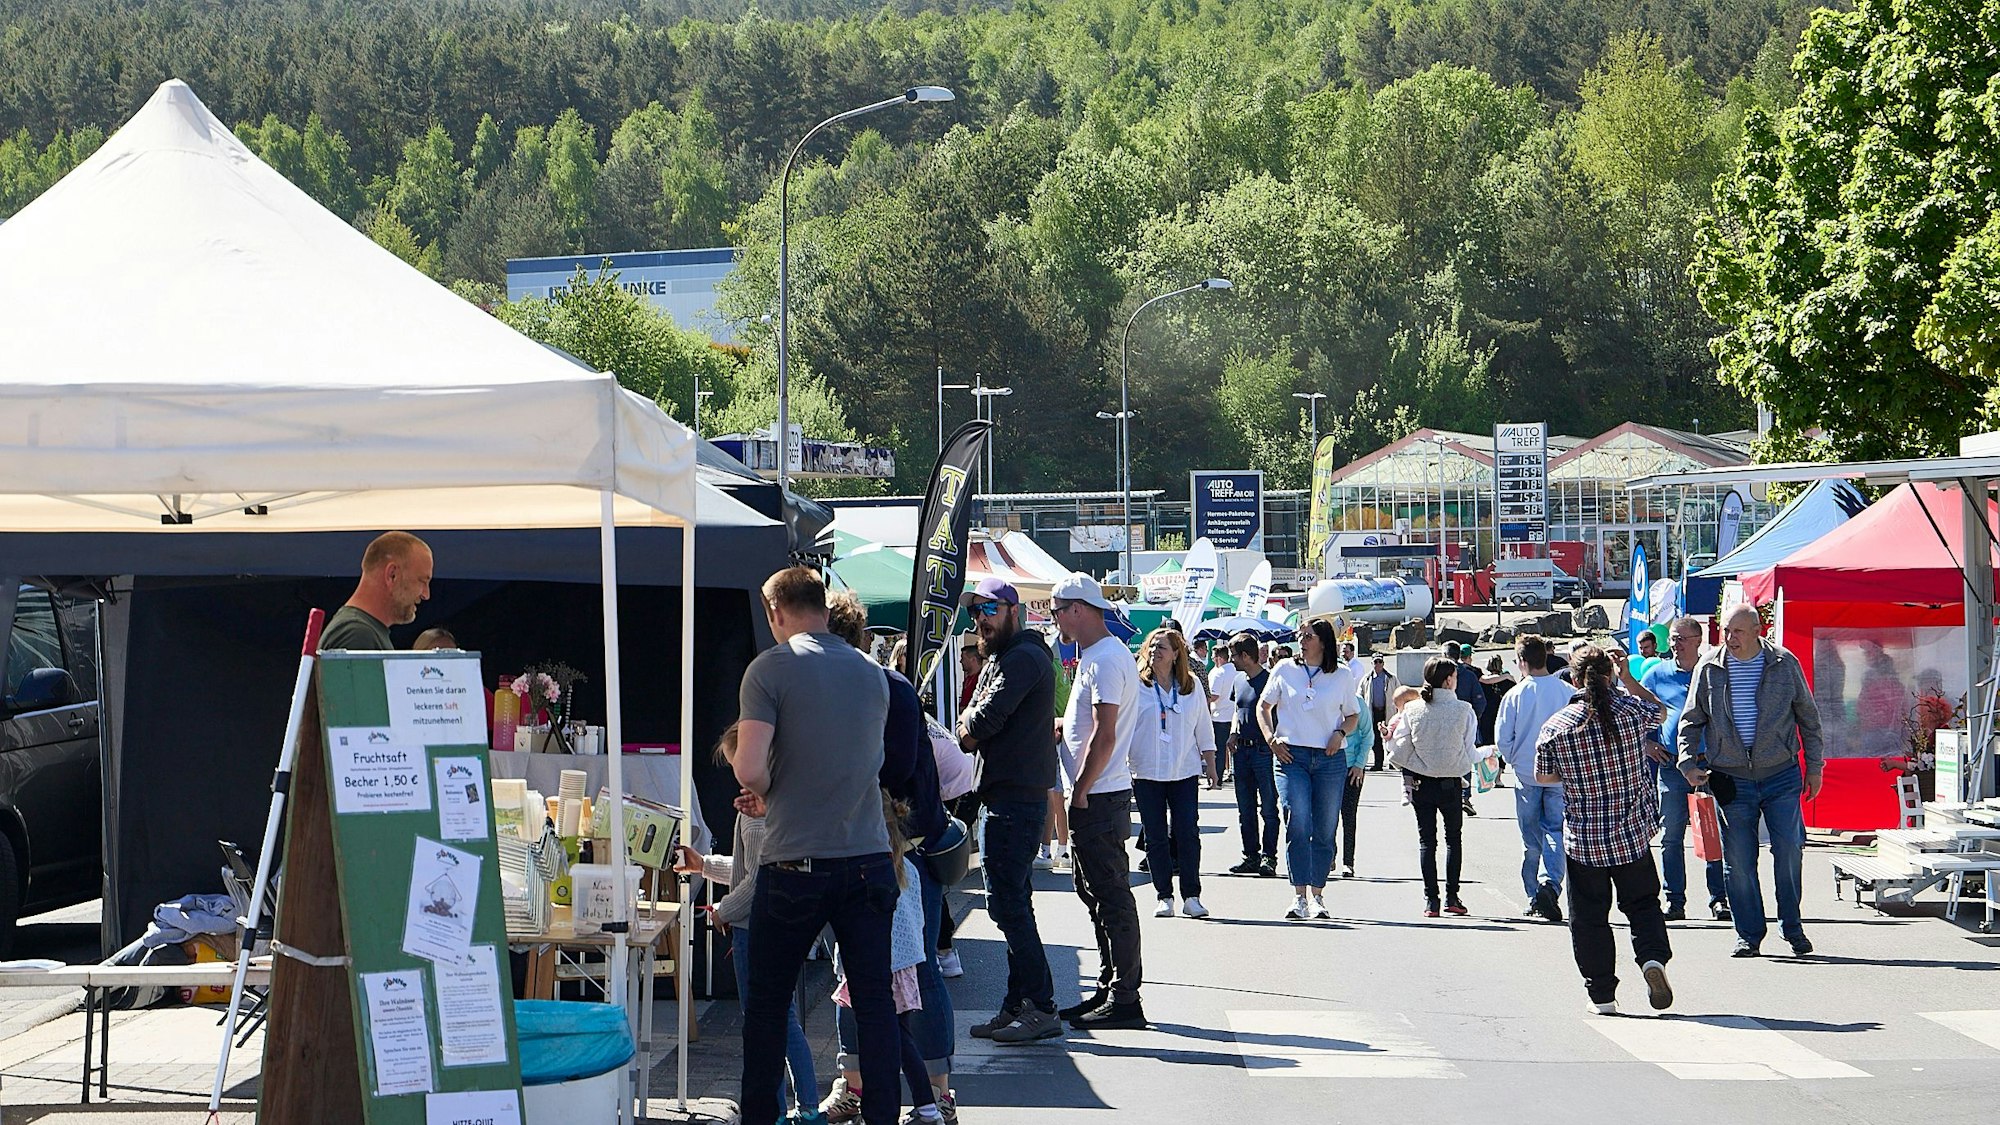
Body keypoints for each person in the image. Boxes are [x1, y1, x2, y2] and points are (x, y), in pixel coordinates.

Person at [731, 568, 900, 1125]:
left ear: (773, 611)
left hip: (797, 862)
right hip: (869, 858)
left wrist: (760, 781)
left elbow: (751, 769)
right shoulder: (872, 673)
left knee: (767, 1008)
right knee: (875, 1007)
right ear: (824, 609)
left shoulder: (770, 669)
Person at [824, 592, 956, 1122]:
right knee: (854, 976)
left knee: (913, 976)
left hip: (899, 852)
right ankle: (857, 1083)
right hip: (864, 847)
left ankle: (937, 1094)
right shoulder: (859, 686)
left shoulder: (886, 688)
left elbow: (899, 770)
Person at [673, 725, 819, 1123]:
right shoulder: (774, 802)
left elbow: (755, 882)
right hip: (773, 924)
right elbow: (749, 871)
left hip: (756, 928)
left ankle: (790, 1109)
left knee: (769, 1023)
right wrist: (704, 865)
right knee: (777, 1020)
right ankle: (803, 1106)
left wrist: (723, 909)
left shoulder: (756, 813)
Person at [1678, 604, 1825, 959]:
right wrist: (1686, 759)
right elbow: (1691, 718)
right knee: (1739, 861)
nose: (1730, 639)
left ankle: (1792, 927)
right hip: (1731, 777)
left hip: (1780, 773)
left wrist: (1815, 767)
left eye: (1738, 632)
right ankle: (1748, 934)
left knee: (1788, 848)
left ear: (1759, 630)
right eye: (1726, 631)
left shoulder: (1784, 664)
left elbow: (1808, 717)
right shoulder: (1710, 666)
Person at [1534, 644, 1674, 1016]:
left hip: (1585, 839)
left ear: (1574, 679)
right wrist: (1627, 678)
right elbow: (1661, 711)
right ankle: (1651, 958)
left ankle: (1602, 994)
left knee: (1590, 918)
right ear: (1609, 675)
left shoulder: (1557, 726)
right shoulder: (1629, 712)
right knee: (1643, 905)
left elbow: (1542, 775)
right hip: (1631, 833)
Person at [955, 578, 1063, 1044]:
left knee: (1008, 906)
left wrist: (968, 724)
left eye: (989, 608)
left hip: (1015, 800)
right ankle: (1020, 1002)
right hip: (1005, 797)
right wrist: (969, 722)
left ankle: (1039, 1004)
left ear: (1012, 610)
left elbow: (979, 722)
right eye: (976, 610)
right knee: (1013, 904)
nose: (980, 617)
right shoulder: (1007, 657)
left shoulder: (1021, 657)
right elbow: (974, 717)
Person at [1050, 573, 1147, 1030]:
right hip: (1096, 792)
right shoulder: (1096, 656)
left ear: (1078, 609)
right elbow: (1094, 729)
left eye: (1056, 609)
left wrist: (1082, 788)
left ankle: (1125, 997)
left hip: (1100, 795)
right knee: (1096, 895)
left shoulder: (1106, 658)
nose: (1053, 618)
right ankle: (1112, 989)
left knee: (1109, 896)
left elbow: (1105, 736)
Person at [1259, 617, 1361, 920]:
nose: (1302, 641)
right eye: (1300, 635)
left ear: (1324, 641)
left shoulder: (1341, 676)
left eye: (1309, 636)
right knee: (1298, 819)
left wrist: (1340, 733)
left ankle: (1318, 895)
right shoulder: (1284, 669)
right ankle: (1299, 896)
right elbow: (1263, 706)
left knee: (1326, 828)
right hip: (1292, 757)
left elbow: (1353, 715)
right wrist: (1270, 738)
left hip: (1330, 759)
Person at [1628, 617, 1727, 922]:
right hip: (1671, 765)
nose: (1675, 644)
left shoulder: (1711, 672)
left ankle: (1719, 898)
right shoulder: (1657, 673)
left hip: (1710, 764)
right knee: (1671, 835)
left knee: (1713, 834)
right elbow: (1635, 711)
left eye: (1682, 638)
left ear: (1699, 640)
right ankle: (1675, 900)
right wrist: (1646, 743)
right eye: (1672, 638)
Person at [1387, 658, 1480, 917]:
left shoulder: (1413, 710)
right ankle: (1452, 896)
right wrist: (1487, 755)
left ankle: (1431, 901)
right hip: (1452, 782)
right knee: (1454, 840)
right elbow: (1469, 752)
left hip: (1421, 783)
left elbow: (1396, 749)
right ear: (1449, 680)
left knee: (1427, 841)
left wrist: (1420, 763)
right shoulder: (1464, 710)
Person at [1131, 627, 1212, 919]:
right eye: (1151, 647)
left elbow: (1204, 727)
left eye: (1161, 647)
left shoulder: (1191, 687)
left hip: (1184, 770)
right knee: (1155, 836)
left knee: (1187, 833)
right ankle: (1163, 895)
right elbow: (1123, 728)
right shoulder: (1137, 685)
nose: (1155, 652)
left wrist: (1211, 764)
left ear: (1176, 653)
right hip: (1146, 771)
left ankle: (1192, 895)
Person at [1494, 635, 1573, 924]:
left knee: (1531, 839)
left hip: (1527, 773)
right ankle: (1549, 885)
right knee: (1556, 831)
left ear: (1523, 662)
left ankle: (1533, 894)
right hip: (1560, 775)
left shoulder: (1515, 695)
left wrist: (1515, 759)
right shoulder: (1566, 691)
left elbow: (1503, 738)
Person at [1225, 635, 1280, 878]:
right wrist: (1233, 732)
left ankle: (1269, 856)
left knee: (1268, 806)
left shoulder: (1270, 681)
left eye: (1234, 655)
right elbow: (1238, 710)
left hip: (1264, 751)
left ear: (1246, 656)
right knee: (1245, 807)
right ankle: (1251, 855)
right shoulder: (1238, 680)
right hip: (1242, 751)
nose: (1231, 660)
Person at [321, 531, 432, 650]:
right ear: (392, 575)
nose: (426, 594)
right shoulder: (357, 635)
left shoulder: (362, 632)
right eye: (422, 581)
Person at [1331, 673, 1373, 878]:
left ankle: (1348, 862)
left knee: (1348, 815)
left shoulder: (1358, 704)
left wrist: (1359, 765)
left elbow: (1368, 736)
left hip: (1352, 768)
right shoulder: (1325, 700)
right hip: (1328, 766)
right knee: (1327, 816)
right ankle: (1329, 856)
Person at [1450, 643, 1487, 816]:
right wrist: (1473, 718)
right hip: (1465, 724)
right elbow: (1480, 701)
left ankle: (1456, 796)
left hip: (1445, 724)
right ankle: (1464, 796)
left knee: (1449, 758)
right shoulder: (1469, 675)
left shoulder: (1438, 673)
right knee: (1465, 757)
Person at [1206, 644, 1243, 788]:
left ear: (1219, 658)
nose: (1212, 659)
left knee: (1219, 750)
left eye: (1213, 656)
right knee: (1233, 749)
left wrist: (1203, 702)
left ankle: (1217, 778)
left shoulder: (1219, 673)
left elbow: (1214, 695)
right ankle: (1233, 774)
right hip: (1233, 715)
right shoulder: (1237, 671)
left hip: (1219, 716)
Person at [1364, 657, 1393, 770]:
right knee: (1375, 740)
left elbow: (1398, 693)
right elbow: (1360, 694)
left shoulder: (1391, 678)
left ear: (1383, 663)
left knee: (1390, 738)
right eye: (1375, 662)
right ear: (1372, 663)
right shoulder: (1366, 679)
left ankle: (1392, 762)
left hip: (1387, 712)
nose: (1378, 664)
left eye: (1380, 662)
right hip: (1373, 712)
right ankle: (1378, 764)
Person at [958, 644, 983, 712]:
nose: (961, 661)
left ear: (973, 659)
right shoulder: (967, 679)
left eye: (963, 658)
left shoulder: (982, 678)